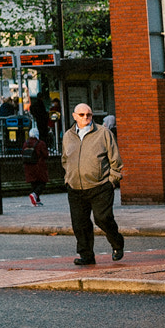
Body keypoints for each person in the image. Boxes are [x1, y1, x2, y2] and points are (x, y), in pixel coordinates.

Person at [63, 103, 124, 265]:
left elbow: (115, 160)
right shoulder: (68, 135)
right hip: (75, 188)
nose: (85, 118)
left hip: (100, 186)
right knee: (80, 224)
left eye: (88, 115)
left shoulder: (103, 133)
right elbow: (65, 159)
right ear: (74, 116)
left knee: (103, 218)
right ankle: (86, 255)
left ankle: (117, 244)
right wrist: (68, 178)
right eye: (81, 115)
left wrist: (112, 180)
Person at [24, 129, 50, 207]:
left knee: (34, 183)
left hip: (28, 166)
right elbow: (45, 154)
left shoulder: (26, 143)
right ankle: (35, 194)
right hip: (39, 166)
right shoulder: (40, 143)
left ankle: (37, 200)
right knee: (42, 182)